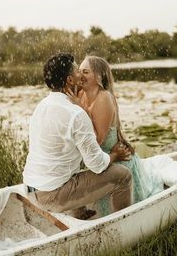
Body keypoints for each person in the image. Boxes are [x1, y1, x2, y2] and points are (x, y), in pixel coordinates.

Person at [23, 53, 133, 217]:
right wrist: (115, 155)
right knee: (124, 176)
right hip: (52, 195)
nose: (80, 75)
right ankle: (124, 222)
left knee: (72, 168)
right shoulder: (75, 114)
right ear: (69, 80)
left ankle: (81, 215)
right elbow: (97, 164)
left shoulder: (42, 106)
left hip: (30, 188)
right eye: (77, 71)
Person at [71, 55, 163, 216]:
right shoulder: (80, 94)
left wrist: (80, 108)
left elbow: (96, 141)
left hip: (113, 160)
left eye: (86, 72)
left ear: (99, 76)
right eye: (79, 71)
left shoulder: (103, 98)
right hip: (97, 160)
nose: (80, 76)